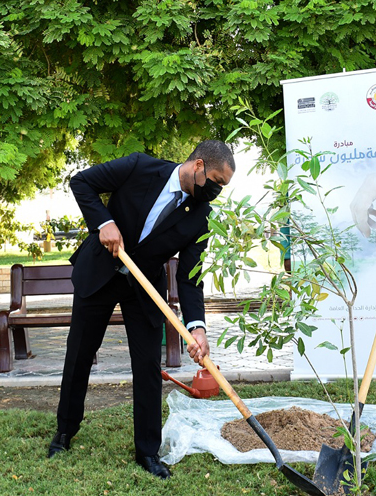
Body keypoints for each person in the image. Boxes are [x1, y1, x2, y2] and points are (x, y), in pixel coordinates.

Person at [48, 140, 236, 478]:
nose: (217, 192)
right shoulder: (139, 167)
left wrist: (198, 327)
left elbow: (191, 279)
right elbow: (82, 182)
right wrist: (103, 222)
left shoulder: (201, 219)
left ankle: (147, 452)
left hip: (144, 286)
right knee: (79, 353)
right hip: (100, 271)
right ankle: (65, 430)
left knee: (148, 365)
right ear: (198, 166)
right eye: (217, 182)